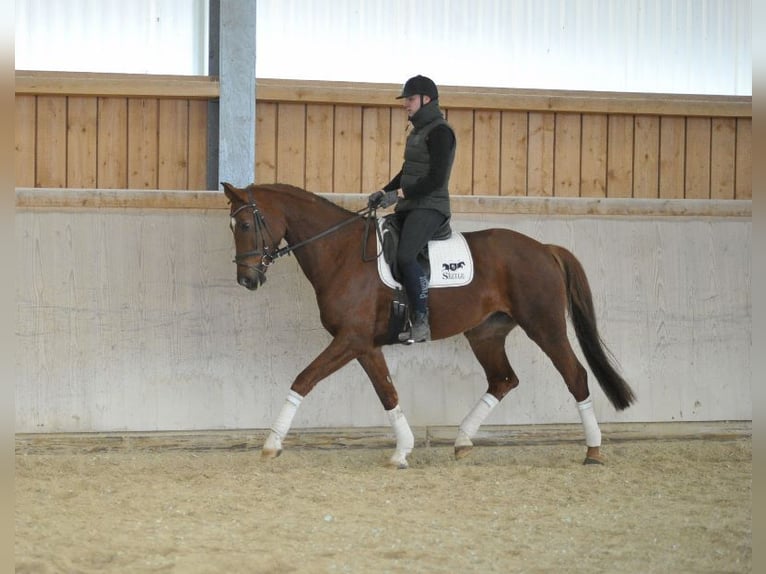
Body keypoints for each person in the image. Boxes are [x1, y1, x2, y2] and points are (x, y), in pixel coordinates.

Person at [368, 75, 456, 343]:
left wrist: (400, 194)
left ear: (425, 100)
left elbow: (436, 179)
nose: (405, 104)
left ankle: (421, 320)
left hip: (431, 206)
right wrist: (385, 191)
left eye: (410, 99)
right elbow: (408, 172)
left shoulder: (441, 132)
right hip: (412, 205)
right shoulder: (418, 131)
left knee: (406, 256)